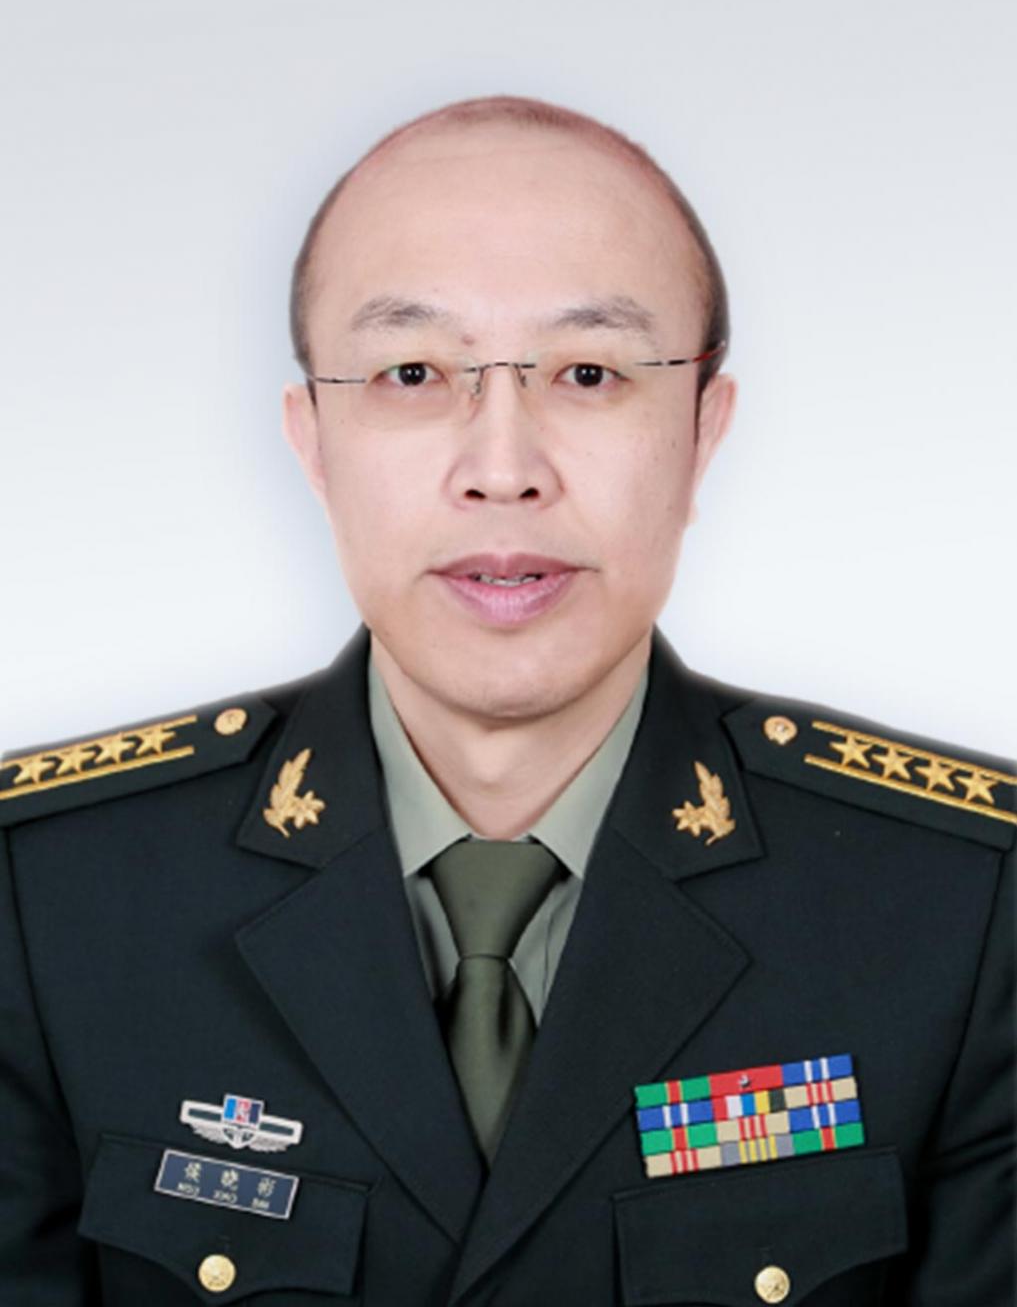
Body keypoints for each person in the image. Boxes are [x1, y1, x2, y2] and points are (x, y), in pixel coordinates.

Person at [0, 93, 1012, 1307]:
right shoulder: (45, 897)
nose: (502, 470)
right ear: (313, 439)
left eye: (588, 372)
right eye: (412, 372)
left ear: (702, 431)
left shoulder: (967, 909)